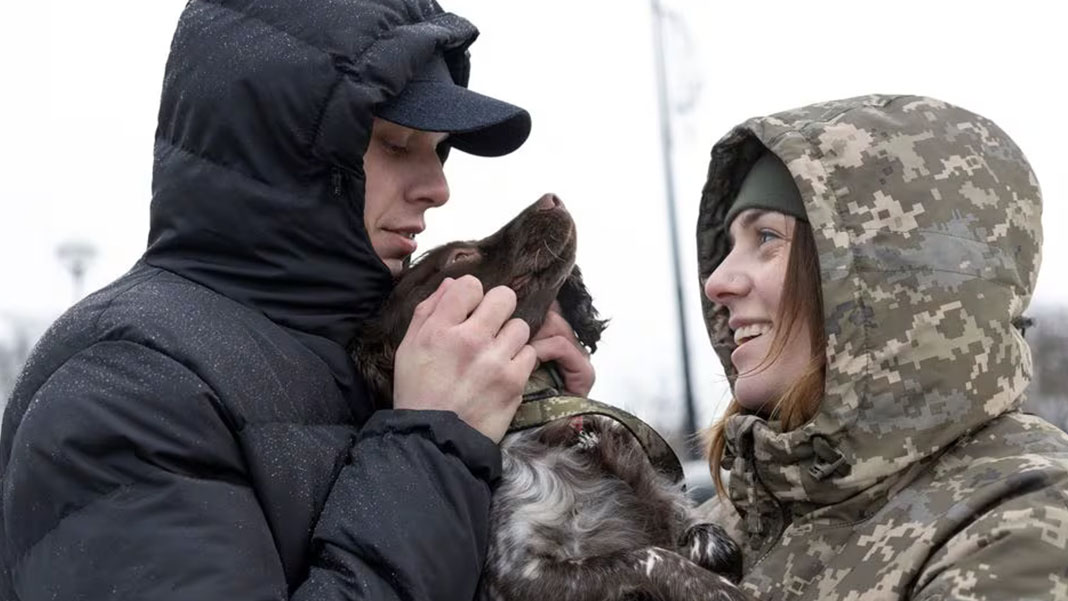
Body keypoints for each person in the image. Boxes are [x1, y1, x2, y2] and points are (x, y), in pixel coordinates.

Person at [0, 1, 592, 599]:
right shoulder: (125, 387)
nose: (438, 188)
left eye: (438, 150)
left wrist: (533, 420)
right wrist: (437, 438)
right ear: (289, 151)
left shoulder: (376, 355)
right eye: (396, 144)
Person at [696, 94, 1068, 600]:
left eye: (766, 237)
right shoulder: (739, 517)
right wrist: (560, 429)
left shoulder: (1024, 517)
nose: (718, 281)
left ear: (888, 280)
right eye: (731, 243)